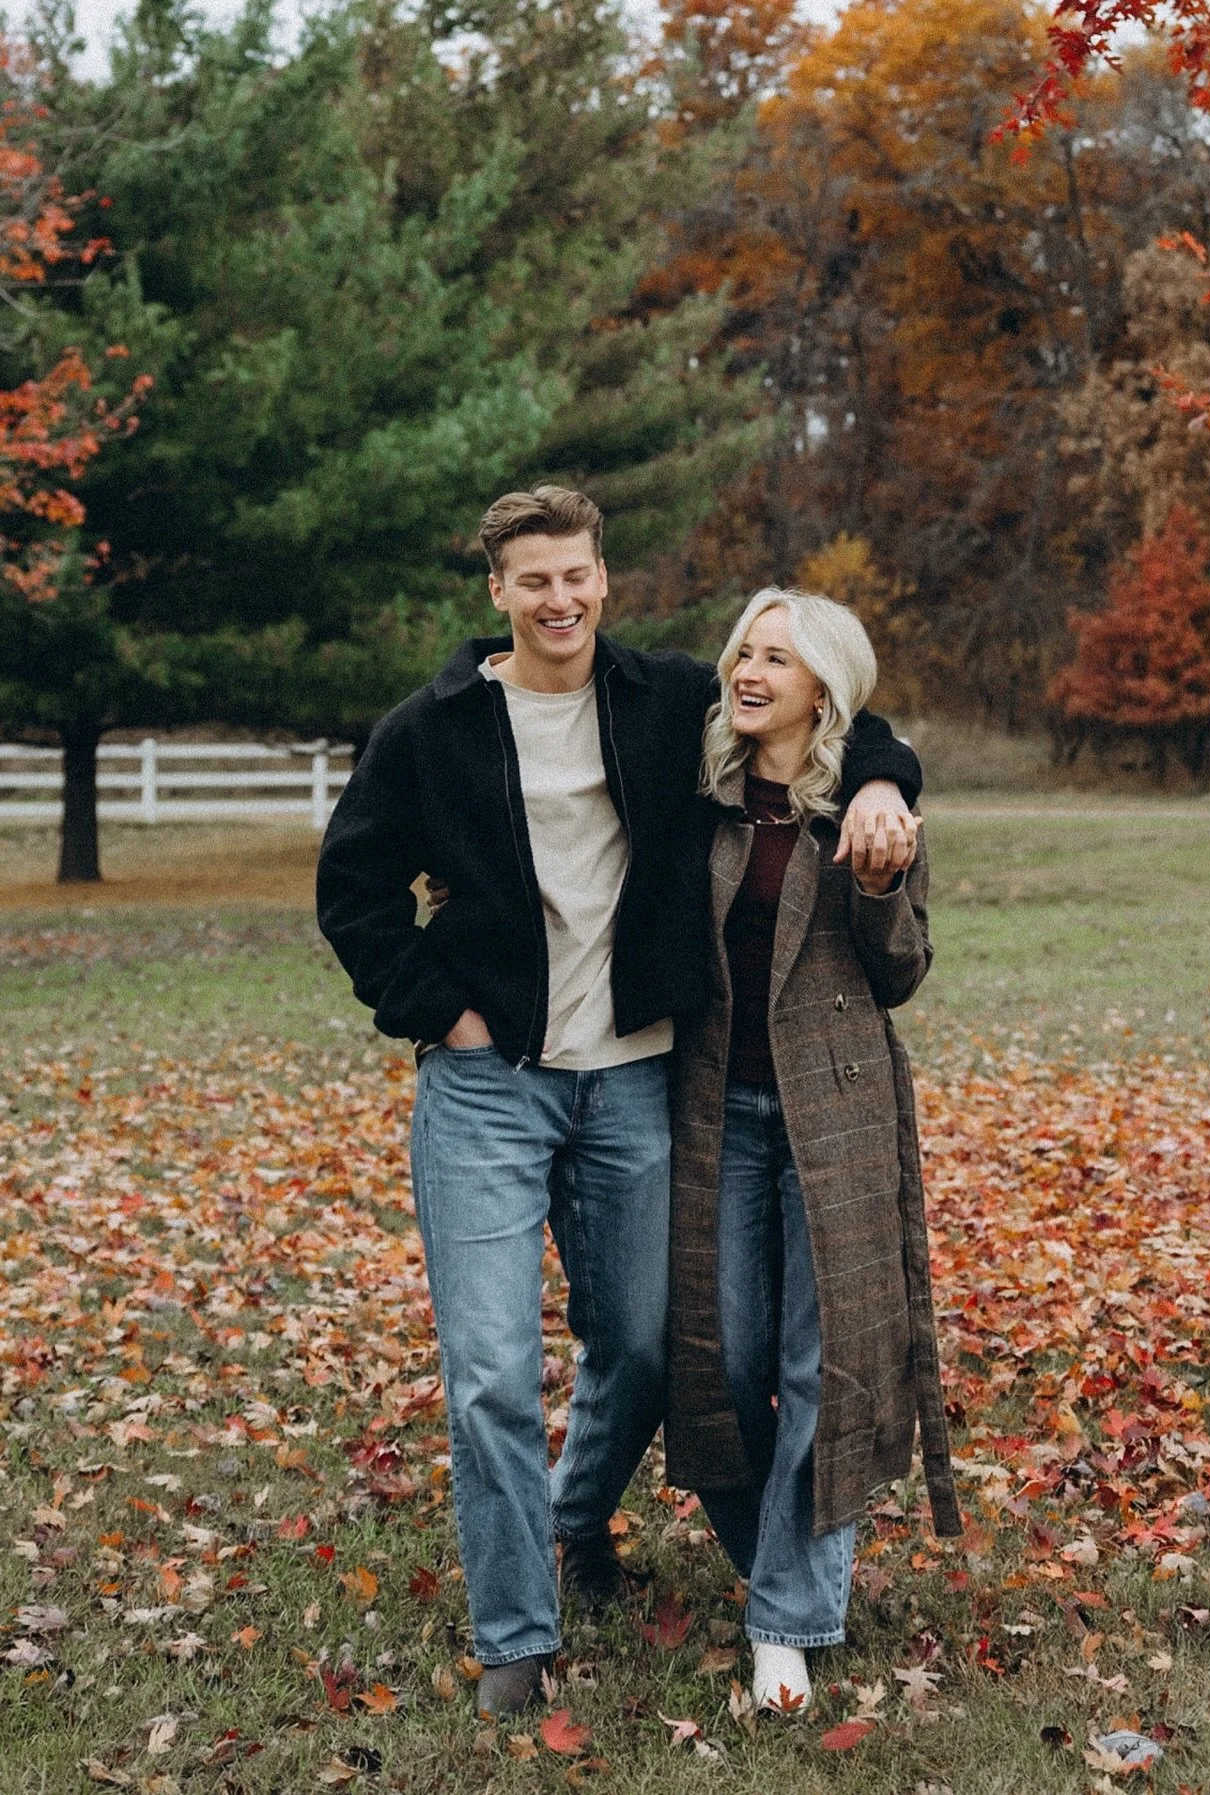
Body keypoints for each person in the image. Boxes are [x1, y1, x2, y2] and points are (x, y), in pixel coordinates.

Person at [315, 487, 922, 1716]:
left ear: (604, 577)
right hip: (487, 1088)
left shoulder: (659, 704)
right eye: (532, 579)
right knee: (492, 1371)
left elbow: (821, 702)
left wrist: (886, 780)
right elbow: (353, 888)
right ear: (498, 590)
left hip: (637, 1077)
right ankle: (516, 1637)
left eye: (577, 575)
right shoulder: (430, 730)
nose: (559, 599)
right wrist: (446, 1012)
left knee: (649, 1347)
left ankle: (575, 1516)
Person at [664, 589, 962, 1715]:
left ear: (823, 688)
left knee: (822, 1364)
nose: (748, 668)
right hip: (714, 1112)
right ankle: (788, 1560)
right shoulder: (697, 797)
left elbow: (903, 973)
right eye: (746, 647)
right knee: (724, 1365)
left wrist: (879, 887)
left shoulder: (868, 815)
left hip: (833, 1115)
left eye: (777, 657)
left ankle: (785, 1617)